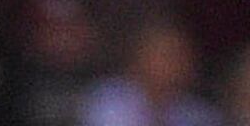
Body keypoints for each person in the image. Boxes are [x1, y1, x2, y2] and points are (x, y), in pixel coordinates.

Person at [83, 25, 216, 126]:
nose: (175, 65)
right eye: (165, 55)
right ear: (138, 59)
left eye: (180, 56)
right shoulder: (106, 103)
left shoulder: (198, 113)